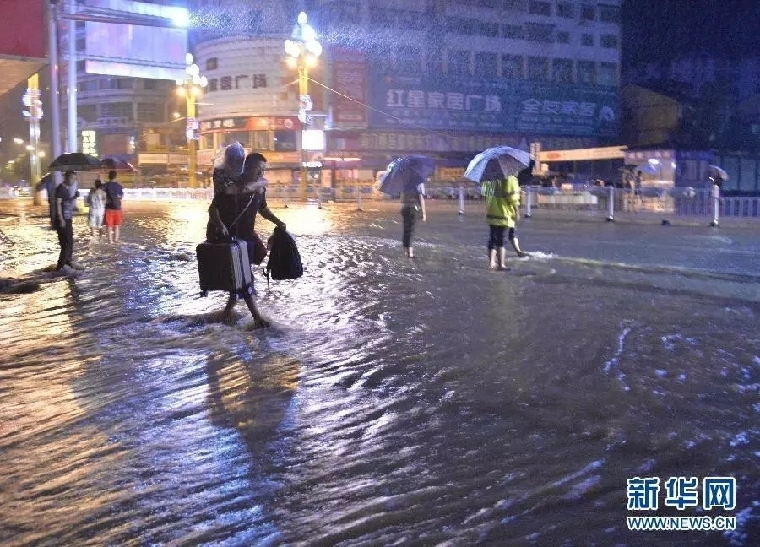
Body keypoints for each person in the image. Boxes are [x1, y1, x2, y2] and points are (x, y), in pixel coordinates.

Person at [207, 151, 286, 328]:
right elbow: (213, 208)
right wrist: (220, 224)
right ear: (247, 167)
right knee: (244, 275)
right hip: (230, 240)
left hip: (247, 238)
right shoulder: (233, 188)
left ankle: (227, 312)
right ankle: (257, 318)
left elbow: (263, 209)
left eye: (263, 170)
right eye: (258, 169)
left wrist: (278, 222)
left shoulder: (259, 189)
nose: (261, 173)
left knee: (240, 275)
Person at [481, 169, 526, 270]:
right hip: (504, 213)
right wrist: (517, 211)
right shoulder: (510, 179)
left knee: (492, 239)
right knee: (501, 240)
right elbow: (513, 198)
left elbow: (484, 194)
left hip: (491, 212)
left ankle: (491, 263)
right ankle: (501, 265)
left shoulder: (488, 178)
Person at [54, 171, 83, 273]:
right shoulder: (60, 188)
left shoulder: (66, 189)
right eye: (72, 178)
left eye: (75, 179)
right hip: (63, 219)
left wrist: (74, 197)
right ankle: (61, 266)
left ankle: (68, 261)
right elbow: (58, 204)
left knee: (70, 241)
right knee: (65, 243)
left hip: (68, 218)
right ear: (66, 178)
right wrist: (60, 218)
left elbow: (67, 202)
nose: (73, 181)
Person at [400, 178, 426, 258]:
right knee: (411, 231)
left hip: (404, 208)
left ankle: (405, 250)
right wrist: (423, 213)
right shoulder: (419, 182)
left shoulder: (404, 181)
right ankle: (410, 253)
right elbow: (421, 198)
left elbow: (402, 198)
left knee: (405, 230)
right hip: (413, 208)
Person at [103, 170, 124, 243]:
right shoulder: (119, 186)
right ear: (116, 177)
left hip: (109, 208)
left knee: (109, 225)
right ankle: (116, 240)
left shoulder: (106, 185)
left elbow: (100, 192)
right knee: (117, 225)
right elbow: (121, 197)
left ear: (109, 176)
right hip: (118, 208)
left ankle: (110, 241)